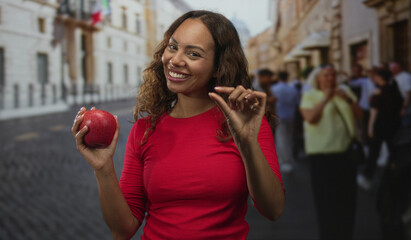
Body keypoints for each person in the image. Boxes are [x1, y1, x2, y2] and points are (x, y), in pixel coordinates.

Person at [71, 10, 285, 240]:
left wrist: (247, 144)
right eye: (173, 47)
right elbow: (122, 230)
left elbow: (273, 209)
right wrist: (103, 169)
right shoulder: (145, 129)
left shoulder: (247, 124)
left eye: (193, 53)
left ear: (218, 67)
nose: (175, 60)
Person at [300, 64, 362, 240]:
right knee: (326, 201)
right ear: (318, 78)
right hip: (321, 156)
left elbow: (360, 116)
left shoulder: (345, 92)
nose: (330, 79)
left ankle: (345, 234)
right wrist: (325, 99)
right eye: (326, 75)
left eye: (333, 75)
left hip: (346, 153)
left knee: (347, 200)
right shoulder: (310, 95)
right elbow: (311, 118)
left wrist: (349, 100)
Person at [357, 67, 403, 191]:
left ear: (380, 78)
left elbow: (374, 113)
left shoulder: (378, 93)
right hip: (393, 125)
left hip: (379, 126)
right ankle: (398, 177)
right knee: (394, 152)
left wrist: (370, 128)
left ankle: (367, 178)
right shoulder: (394, 89)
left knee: (374, 153)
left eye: (376, 76)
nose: (374, 78)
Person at [271, 71, 299, 172]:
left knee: (281, 139)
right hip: (290, 116)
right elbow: (297, 102)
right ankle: (289, 159)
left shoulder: (274, 89)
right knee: (290, 138)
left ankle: (285, 161)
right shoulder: (292, 89)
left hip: (279, 117)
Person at [389, 61, 411, 126]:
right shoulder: (392, 77)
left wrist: (404, 107)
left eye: (395, 68)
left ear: (400, 68)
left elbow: (409, 93)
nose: (392, 70)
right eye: (391, 68)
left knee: (404, 126)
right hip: (395, 105)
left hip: (403, 103)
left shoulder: (406, 77)